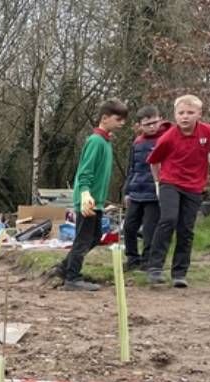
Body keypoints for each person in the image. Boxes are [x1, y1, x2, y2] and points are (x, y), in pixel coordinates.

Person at [145, 94, 210, 288]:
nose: (185, 117)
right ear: (175, 115)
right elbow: (153, 161)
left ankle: (179, 272)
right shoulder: (168, 137)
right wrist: (158, 183)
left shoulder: (209, 133)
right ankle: (155, 267)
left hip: (194, 186)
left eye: (190, 113)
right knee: (168, 219)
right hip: (170, 182)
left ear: (199, 114)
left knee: (186, 228)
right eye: (181, 113)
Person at [56, 100, 128, 291]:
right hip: (87, 201)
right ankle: (72, 277)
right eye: (118, 119)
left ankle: (65, 267)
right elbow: (85, 172)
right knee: (83, 239)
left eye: (124, 119)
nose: (122, 123)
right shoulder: (95, 141)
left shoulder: (106, 142)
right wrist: (86, 194)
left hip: (97, 202)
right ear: (104, 118)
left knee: (95, 237)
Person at [121, 106, 170, 272]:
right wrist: (126, 192)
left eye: (154, 122)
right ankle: (132, 258)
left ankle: (148, 261)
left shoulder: (167, 139)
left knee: (150, 230)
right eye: (147, 124)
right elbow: (132, 169)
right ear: (140, 125)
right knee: (128, 227)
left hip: (155, 194)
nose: (151, 126)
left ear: (161, 119)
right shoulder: (137, 142)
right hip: (136, 192)